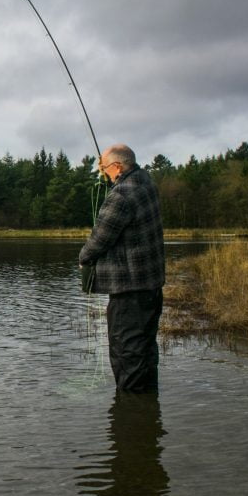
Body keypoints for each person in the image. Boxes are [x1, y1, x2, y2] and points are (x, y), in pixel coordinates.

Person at [79, 144, 165, 391]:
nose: (102, 172)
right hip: (150, 286)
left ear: (117, 166)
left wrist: (83, 258)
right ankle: (146, 413)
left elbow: (99, 239)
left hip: (129, 291)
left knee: (127, 354)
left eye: (104, 168)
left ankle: (130, 416)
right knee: (145, 350)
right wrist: (109, 174)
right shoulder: (145, 182)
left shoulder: (120, 196)